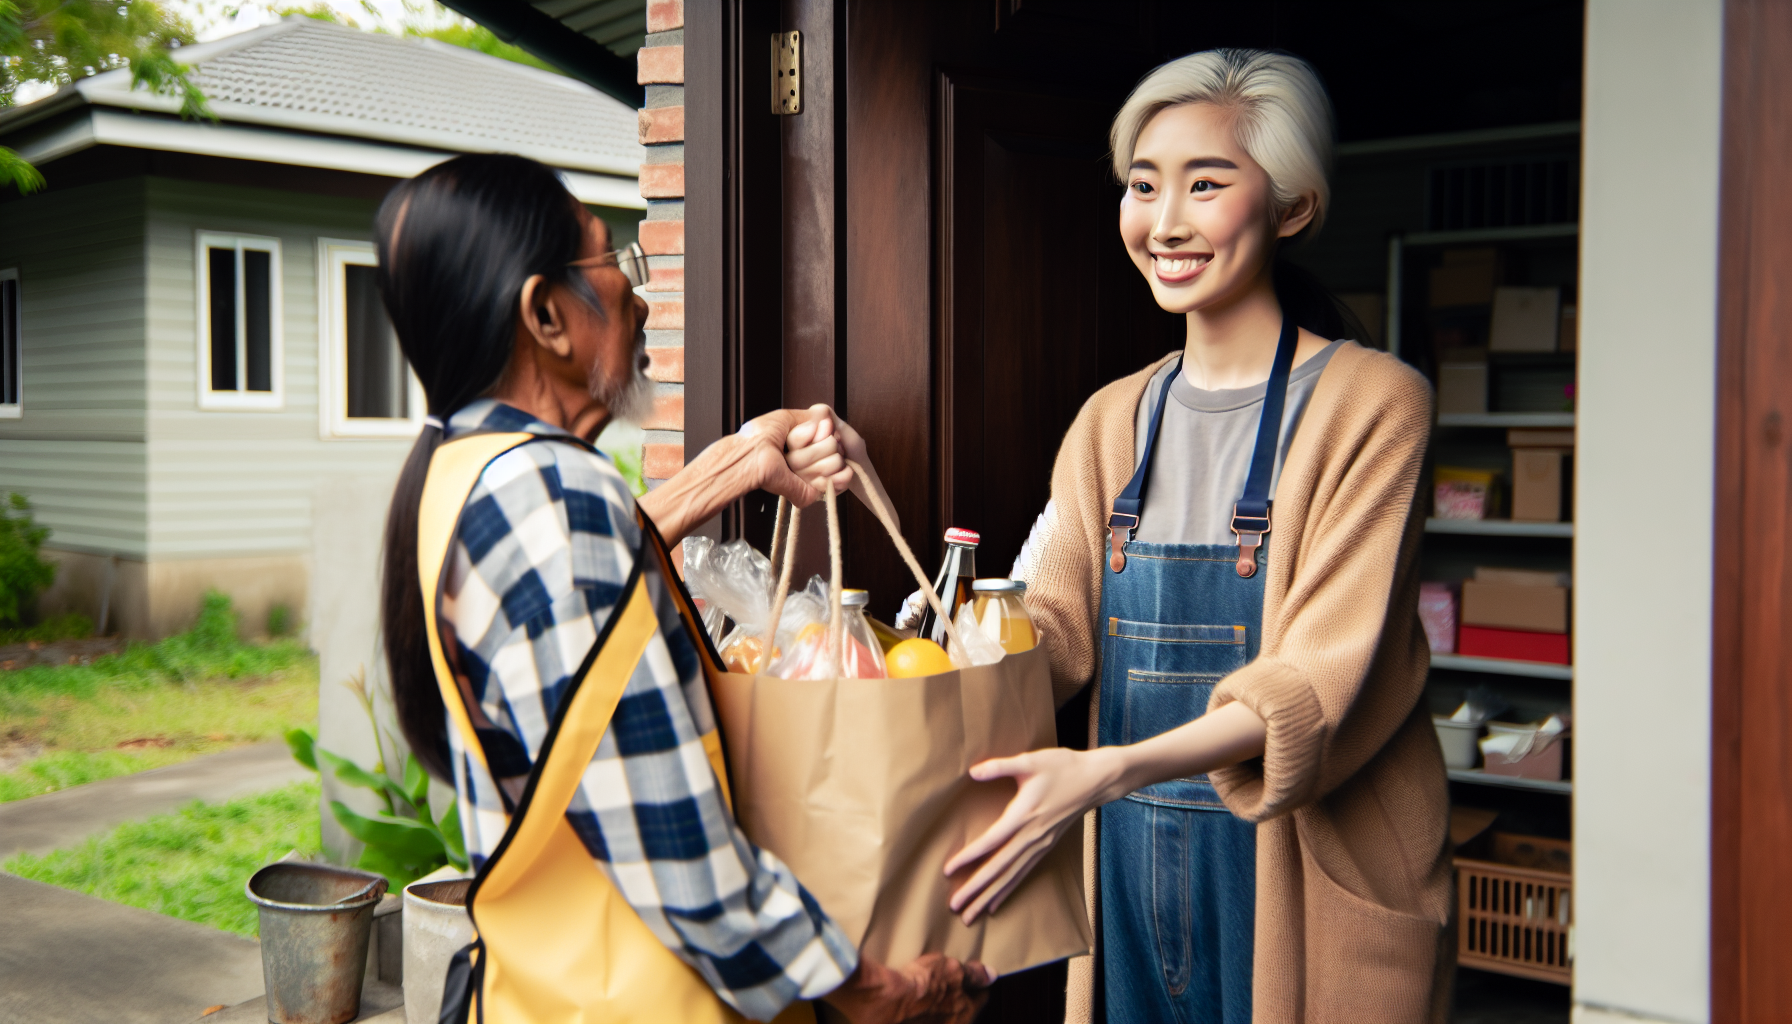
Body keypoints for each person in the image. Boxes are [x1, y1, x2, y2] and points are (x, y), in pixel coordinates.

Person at [375, 153, 987, 1023]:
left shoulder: (460, 475)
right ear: (545, 316)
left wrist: (737, 460)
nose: (640, 296)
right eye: (611, 261)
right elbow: (680, 856)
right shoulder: (554, 497)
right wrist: (872, 991)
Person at [938, 50, 1452, 1023]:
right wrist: (940, 632)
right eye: (1143, 186)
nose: (1165, 221)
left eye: (1205, 184)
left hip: (1306, 875)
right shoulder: (1109, 422)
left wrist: (1106, 769)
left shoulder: (1374, 405)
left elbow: (1313, 682)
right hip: (1130, 869)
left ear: (1292, 207)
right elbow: (1054, 631)